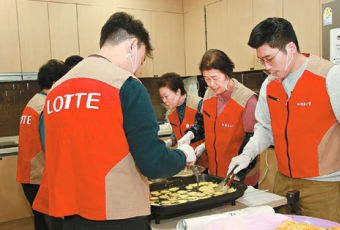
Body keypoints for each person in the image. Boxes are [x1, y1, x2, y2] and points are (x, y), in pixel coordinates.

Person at [32, 12, 196, 230]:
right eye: (141, 58)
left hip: (68, 216)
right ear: (131, 46)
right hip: (117, 214)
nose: (138, 68)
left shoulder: (56, 91)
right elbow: (153, 162)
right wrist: (182, 155)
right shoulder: (125, 85)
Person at [227, 17, 340, 223]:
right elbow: (265, 129)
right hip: (284, 179)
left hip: (324, 185)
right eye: (262, 61)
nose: (267, 67)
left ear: (291, 47)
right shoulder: (269, 85)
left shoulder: (331, 77)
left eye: (270, 59)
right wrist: (246, 155)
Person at [179, 49, 259, 186]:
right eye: (206, 79)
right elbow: (202, 124)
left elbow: (253, 142)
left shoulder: (247, 100)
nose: (211, 84)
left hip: (240, 176)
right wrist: (190, 135)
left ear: (227, 73)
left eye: (215, 78)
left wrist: (239, 175)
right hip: (214, 174)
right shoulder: (209, 94)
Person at [17, 59, 70, 230]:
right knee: (51, 225)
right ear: (56, 83)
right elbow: (52, 148)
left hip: (28, 177)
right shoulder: (47, 107)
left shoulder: (33, 102)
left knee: (41, 222)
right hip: (40, 177)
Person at [158, 72, 208, 168]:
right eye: (162, 97)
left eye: (166, 96)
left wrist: (204, 146)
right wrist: (169, 141)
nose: (164, 101)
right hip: (186, 162)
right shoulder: (172, 112)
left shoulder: (198, 104)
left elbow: (211, 132)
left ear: (178, 92)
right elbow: (177, 134)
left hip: (204, 162)